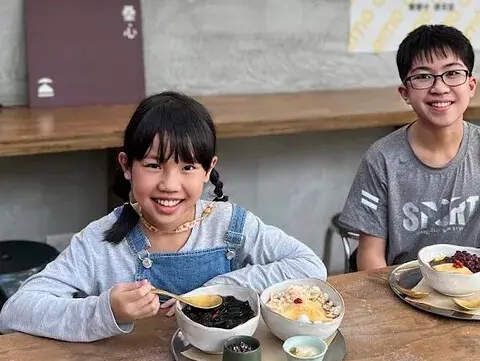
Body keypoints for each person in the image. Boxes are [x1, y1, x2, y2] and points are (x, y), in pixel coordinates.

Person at [0, 91, 326, 342]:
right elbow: (15, 311)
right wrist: (106, 309)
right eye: (154, 165)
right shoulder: (99, 242)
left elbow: (310, 266)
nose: (169, 185)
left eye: (188, 167)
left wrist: (226, 286)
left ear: (208, 169)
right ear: (127, 166)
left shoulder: (232, 227)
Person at [340, 24, 480, 271]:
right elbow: (370, 258)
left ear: (471, 86)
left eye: (452, 73)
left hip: (471, 283)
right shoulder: (382, 159)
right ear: (405, 93)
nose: (440, 88)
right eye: (423, 76)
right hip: (399, 285)